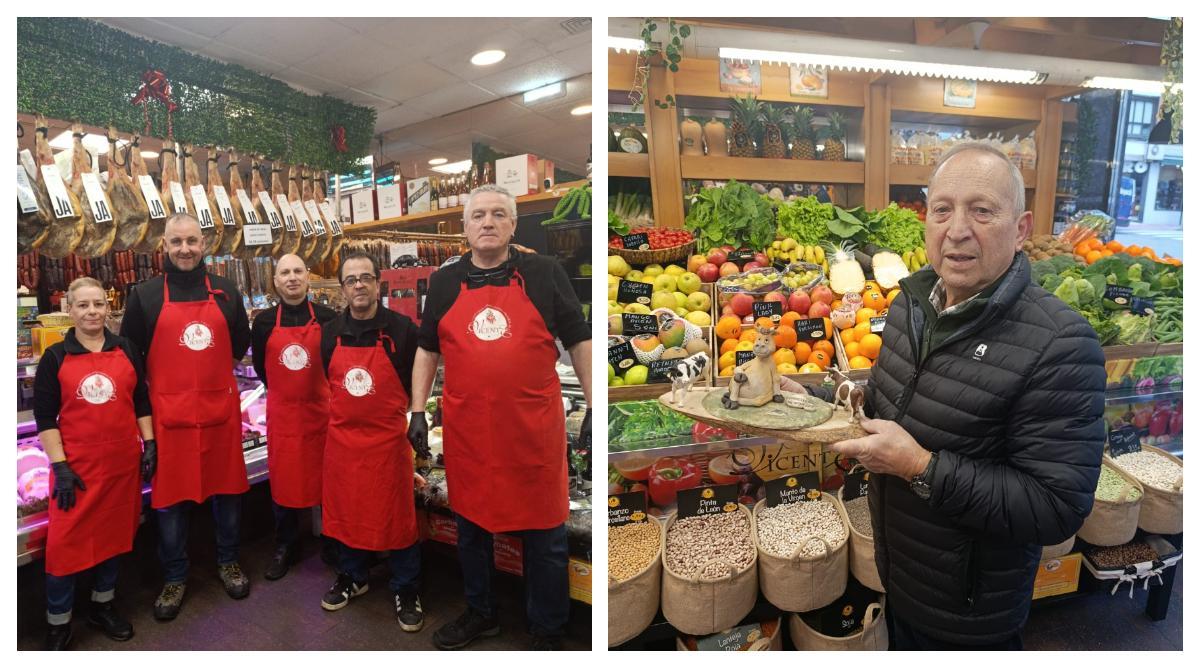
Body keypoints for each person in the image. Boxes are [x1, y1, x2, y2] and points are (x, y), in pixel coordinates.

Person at [818, 142, 1106, 649]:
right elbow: (904, 404)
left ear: (1020, 229)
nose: (956, 230)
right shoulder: (909, 304)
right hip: (902, 576)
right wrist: (834, 407)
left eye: (982, 211)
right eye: (942, 209)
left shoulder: (1061, 342)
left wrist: (919, 467)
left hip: (971, 612)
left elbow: (1056, 507)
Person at [409, 184, 592, 651]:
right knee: (470, 528)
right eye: (478, 216)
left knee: (545, 535)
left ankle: (548, 626)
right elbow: (427, 349)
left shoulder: (544, 272)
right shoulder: (445, 282)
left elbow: (579, 341)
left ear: (513, 224)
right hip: (469, 433)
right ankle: (481, 612)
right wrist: (417, 410)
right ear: (465, 228)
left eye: (498, 214)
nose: (487, 222)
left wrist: (595, 403)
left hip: (533, 432)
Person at [119, 212, 253, 620]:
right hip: (169, 419)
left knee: (227, 496)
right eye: (176, 242)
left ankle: (228, 562)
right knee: (170, 504)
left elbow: (238, 347)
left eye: (192, 241)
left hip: (220, 415)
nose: (185, 249)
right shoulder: (143, 295)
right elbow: (131, 357)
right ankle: (174, 577)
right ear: (164, 245)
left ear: (205, 243)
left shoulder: (227, 292)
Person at [34, 278, 156, 650]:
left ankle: (103, 606)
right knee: (63, 548)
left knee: (113, 540)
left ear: (108, 308)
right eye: (83, 305)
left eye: (98, 305)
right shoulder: (55, 356)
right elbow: (45, 418)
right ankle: (59, 622)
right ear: (69, 310)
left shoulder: (127, 349)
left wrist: (149, 443)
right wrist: (61, 468)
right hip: (78, 470)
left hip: (121, 467)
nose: (92, 312)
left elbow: (140, 402)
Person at [318, 252, 425, 631]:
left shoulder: (402, 330)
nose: (359, 285)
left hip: (387, 442)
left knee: (398, 517)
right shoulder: (329, 333)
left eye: (366, 278)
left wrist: (418, 416)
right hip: (343, 442)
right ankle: (353, 576)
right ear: (343, 288)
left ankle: (406, 587)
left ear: (378, 283)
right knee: (347, 512)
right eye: (351, 280)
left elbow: (418, 380)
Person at [251, 254, 337, 580]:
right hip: (284, 417)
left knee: (328, 482)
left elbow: (334, 365)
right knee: (283, 482)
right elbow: (262, 369)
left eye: (298, 271)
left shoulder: (329, 319)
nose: (292, 277)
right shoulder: (263, 323)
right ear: (276, 281)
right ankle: (286, 544)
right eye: (284, 272)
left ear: (308, 277)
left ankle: (332, 541)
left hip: (321, 415)